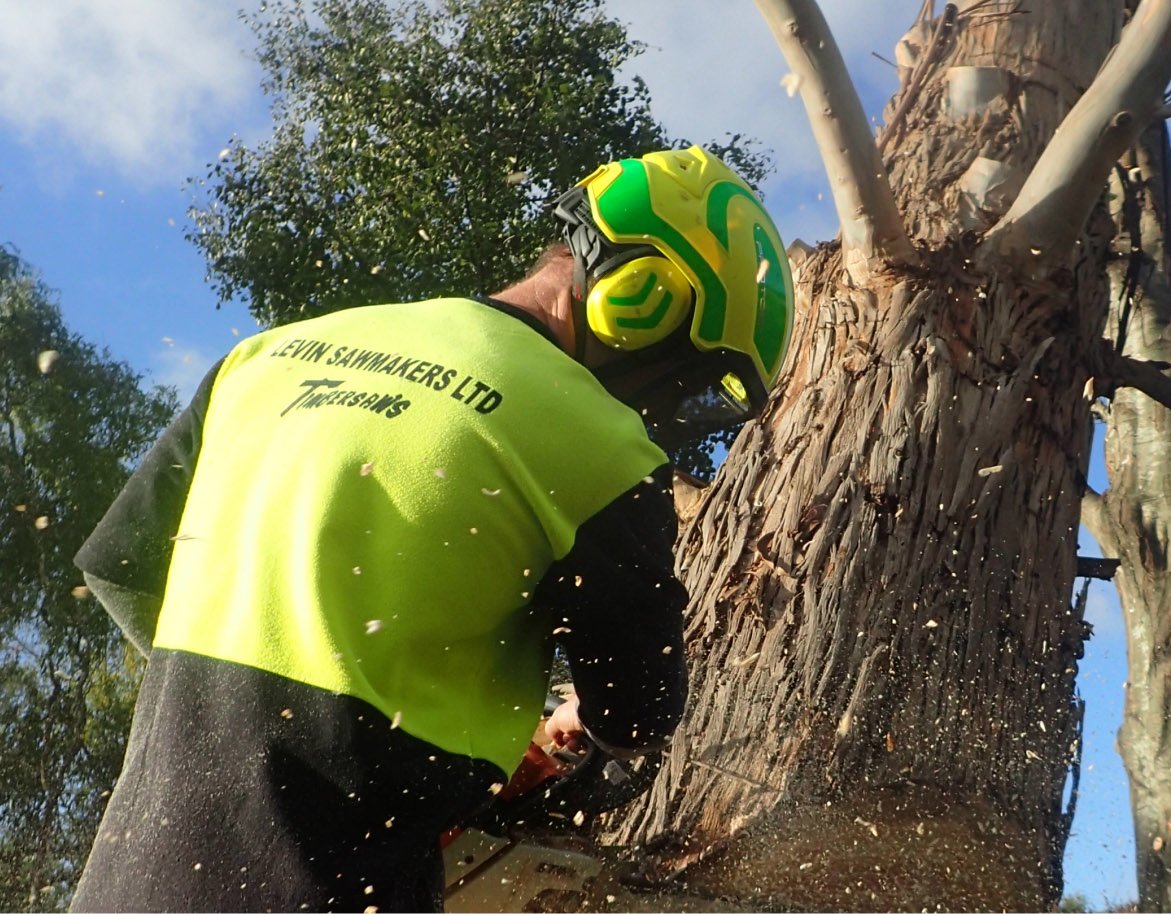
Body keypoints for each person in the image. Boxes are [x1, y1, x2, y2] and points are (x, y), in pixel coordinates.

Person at [70, 145, 794, 912]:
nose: (660, 408)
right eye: (680, 378)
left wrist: (238, 713)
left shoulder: (265, 357)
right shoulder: (604, 446)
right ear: (640, 302)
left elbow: (121, 569)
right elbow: (638, 708)